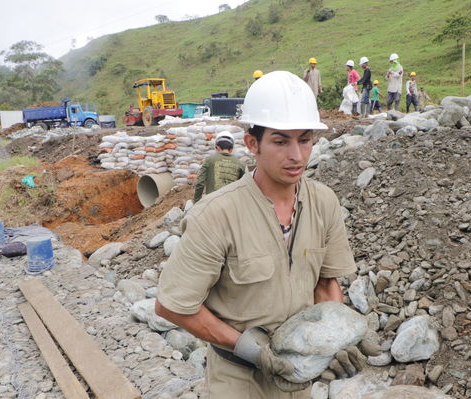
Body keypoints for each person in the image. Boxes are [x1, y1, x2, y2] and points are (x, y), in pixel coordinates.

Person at [155, 71, 364, 398]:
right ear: (252, 143)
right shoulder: (216, 215)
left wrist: (332, 338)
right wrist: (250, 349)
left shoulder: (323, 202)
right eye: (281, 141)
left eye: (305, 140)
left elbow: (325, 283)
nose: (296, 155)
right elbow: (173, 306)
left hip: (299, 376)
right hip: (238, 380)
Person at [193, 131, 246, 203]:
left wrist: (196, 202)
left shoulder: (209, 160)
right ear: (231, 149)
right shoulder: (240, 164)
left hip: (212, 203)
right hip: (231, 204)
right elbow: (244, 186)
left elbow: (200, 183)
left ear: (217, 147)